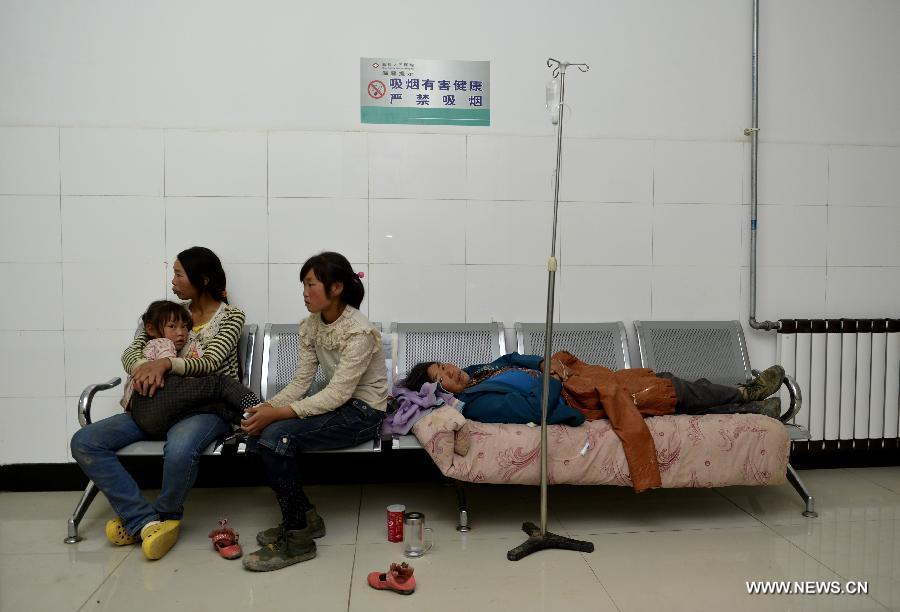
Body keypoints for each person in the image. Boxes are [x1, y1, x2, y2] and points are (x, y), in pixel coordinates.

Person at [71, 246, 245, 561]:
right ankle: (144, 520)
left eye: (179, 274)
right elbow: (131, 351)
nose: (173, 281)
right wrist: (145, 368)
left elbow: (210, 362)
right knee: (86, 441)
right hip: (154, 404)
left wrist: (165, 365)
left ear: (201, 279)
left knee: (179, 448)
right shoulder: (167, 312)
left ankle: (167, 514)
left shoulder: (231, 317)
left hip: (205, 406)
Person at [400, 353, 784, 492]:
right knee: (662, 392)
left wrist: (543, 363)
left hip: (577, 380)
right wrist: (555, 378)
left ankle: (746, 404)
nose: (453, 371)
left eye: (446, 365)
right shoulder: (480, 404)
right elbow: (536, 406)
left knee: (663, 384)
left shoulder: (479, 371)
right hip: (579, 398)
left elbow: (517, 357)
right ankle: (746, 397)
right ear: (443, 392)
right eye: (445, 376)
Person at [240, 252, 388, 572]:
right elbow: (301, 383)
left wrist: (277, 416)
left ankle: (298, 541)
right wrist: (265, 408)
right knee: (256, 440)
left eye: (310, 285)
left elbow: (338, 393)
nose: (304, 292)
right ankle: (305, 518)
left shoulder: (358, 331)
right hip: (338, 405)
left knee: (276, 438)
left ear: (336, 288)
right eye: (303, 285)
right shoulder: (310, 326)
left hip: (365, 412)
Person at [123, 299, 259, 436]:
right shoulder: (164, 344)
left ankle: (245, 420)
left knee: (212, 406)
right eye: (172, 327)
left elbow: (210, 361)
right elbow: (169, 371)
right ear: (151, 329)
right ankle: (256, 410)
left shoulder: (149, 343)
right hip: (156, 398)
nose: (181, 333)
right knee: (220, 384)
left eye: (184, 327)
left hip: (142, 411)